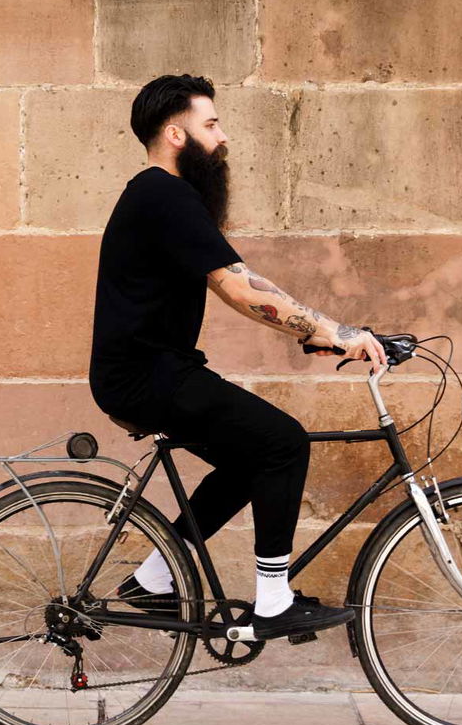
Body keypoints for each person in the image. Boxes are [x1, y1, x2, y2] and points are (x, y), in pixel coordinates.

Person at [88, 74, 387, 641]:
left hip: (151, 371)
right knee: (283, 442)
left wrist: (318, 332)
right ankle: (272, 602)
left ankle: (153, 580)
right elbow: (240, 287)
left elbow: (240, 285)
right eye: (211, 125)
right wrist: (335, 329)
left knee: (251, 458)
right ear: (176, 135)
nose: (222, 138)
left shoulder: (167, 197)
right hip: (147, 375)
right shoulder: (162, 193)